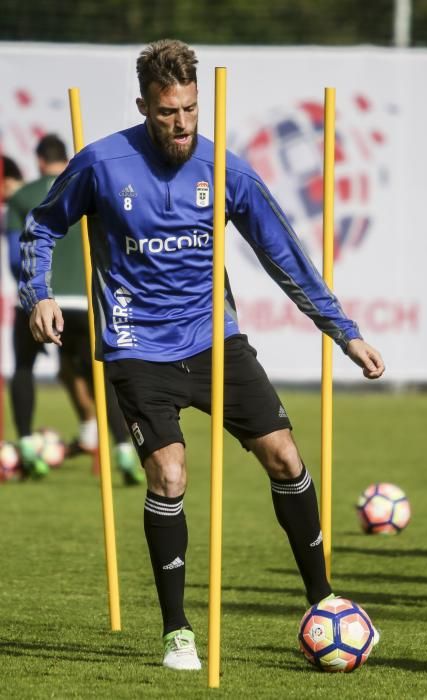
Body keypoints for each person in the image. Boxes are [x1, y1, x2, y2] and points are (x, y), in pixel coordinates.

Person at [19, 39, 385, 670]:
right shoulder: (101, 164)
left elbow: (284, 257)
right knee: (169, 474)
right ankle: (177, 631)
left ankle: (322, 599)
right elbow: (43, 225)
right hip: (136, 345)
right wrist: (39, 294)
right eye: (168, 112)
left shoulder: (228, 172)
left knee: (285, 456)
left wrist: (344, 332)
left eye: (191, 108)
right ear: (144, 105)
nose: (182, 123)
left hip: (215, 339)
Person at [7, 135, 142, 484]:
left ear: (38, 161)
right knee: (99, 376)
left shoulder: (22, 197)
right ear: (65, 158)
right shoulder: (87, 185)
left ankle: (25, 447)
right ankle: (125, 449)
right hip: (86, 301)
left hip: (42, 301)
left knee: (23, 367)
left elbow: (14, 258)